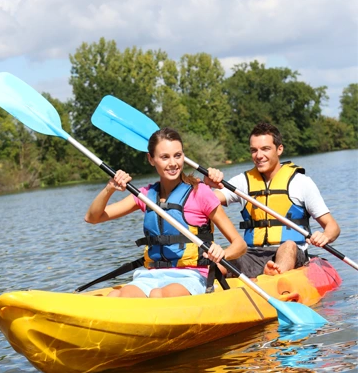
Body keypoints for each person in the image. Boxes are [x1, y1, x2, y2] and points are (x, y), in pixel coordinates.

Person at [85, 127, 247, 298]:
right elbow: (93, 217)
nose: (173, 163)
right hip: (151, 275)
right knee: (116, 297)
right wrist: (110, 188)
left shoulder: (200, 193)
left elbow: (240, 245)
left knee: (157, 295)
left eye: (178, 155)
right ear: (151, 159)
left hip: (191, 275)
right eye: (164, 157)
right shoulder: (146, 195)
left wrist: (223, 253)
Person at [204, 122, 340, 278]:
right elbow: (207, 201)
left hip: (292, 253)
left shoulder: (301, 182)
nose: (259, 155)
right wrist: (206, 183)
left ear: (279, 149)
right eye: (254, 150)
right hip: (252, 255)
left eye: (265, 149)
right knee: (218, 263)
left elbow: (333, 227)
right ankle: (208, 285)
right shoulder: (242, 182)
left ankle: (274, 275)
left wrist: (325, 236)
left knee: (288, 245)